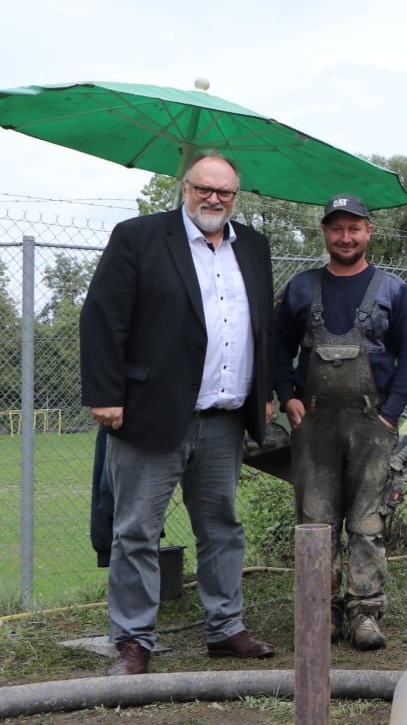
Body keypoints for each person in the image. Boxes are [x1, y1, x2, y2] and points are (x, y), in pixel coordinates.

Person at [80, 151, 276, 676]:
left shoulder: (253, 247)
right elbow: (103, 318)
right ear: (184, 187)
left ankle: (225, 627)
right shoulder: (139, 237)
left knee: (222, 527)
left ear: (237, 197)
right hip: (148, 414)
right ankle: (133, 641)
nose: (214, 199)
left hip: (225, 417)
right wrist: (105, 393)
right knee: (137, 531)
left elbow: (265, 327)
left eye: (225, 192)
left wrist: (268, 390)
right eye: (204, 188)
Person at [274, 194, 407, 650]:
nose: (345, 237)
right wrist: (287, 396)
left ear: (369, 232)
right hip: (314, 423)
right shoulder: (301, 288)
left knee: (366, 524)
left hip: (370, 423)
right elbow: (275, 348)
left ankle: (365, 613)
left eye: (354, 228)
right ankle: (322, 614)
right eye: (337, 229)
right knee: (316, 524)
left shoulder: (394, 290)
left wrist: (390, 411)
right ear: (325, 232)